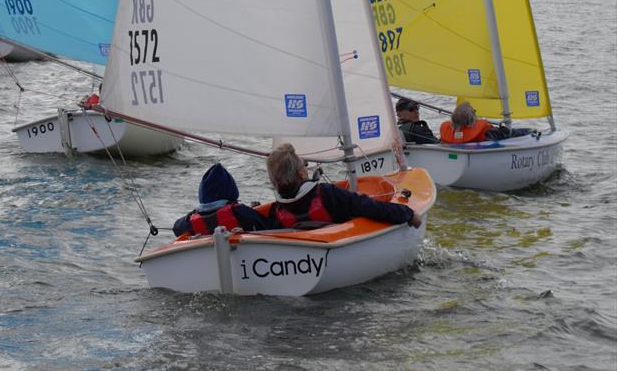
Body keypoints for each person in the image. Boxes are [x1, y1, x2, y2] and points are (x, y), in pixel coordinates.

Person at [264, 143, 422, 230]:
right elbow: (370, 208)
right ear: (301, 174)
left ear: (273, 181)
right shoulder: (328, 194)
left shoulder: (277, 211)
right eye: (304, 166)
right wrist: (408, 213)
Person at [173, 163, 269, 237]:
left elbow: (176, 228)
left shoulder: (188, 221)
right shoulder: (241, 211)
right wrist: (253, 210)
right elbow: (266, 226)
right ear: (231, 191)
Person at [439, 101, 529, 144]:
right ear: (471, 117)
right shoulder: (486, 132)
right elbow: (506, 134)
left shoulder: (447, 133)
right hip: (484, 147)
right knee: (517, 132)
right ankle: (532, 131)